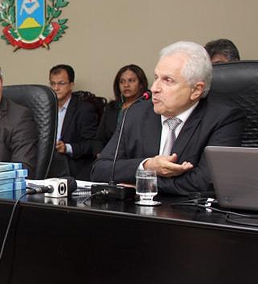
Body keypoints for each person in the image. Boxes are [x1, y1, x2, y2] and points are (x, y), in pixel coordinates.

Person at [91, 41, 244, 195]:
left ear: (196, 90)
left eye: (168, 80)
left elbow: (207, 182)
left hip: (186, 209)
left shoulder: (223, 118)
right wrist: (147, 166)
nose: (154, 88)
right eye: (156, 77)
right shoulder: (135, 113)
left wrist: (144, 182)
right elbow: (100, 170)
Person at [47, 64, 98, 180]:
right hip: (48, 161)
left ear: (71, 85)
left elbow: (91, 144)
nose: (56, 88)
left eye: (61, 83)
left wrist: (66, 148)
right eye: (52, 83)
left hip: (71, 164)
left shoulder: (84, 109)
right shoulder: (45, 108)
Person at [92, 64, 149, 156]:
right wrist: (100, 155)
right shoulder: (111, 108)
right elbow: (99, 139)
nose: (126, 85)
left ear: (141, 84)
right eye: (122, 82)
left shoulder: (149, 107)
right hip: (110, 157)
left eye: (131, 81)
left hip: (136, 158)